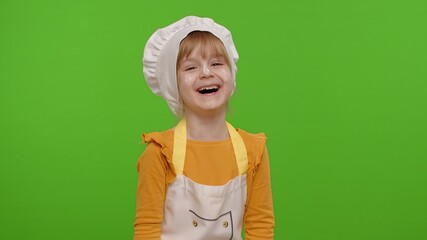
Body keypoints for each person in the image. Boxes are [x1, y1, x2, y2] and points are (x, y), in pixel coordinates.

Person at [134, 16, 274, 240]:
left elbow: (260, 225)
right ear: (174, 84)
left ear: (231, 74)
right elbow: (146, 229)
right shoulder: (160, 153)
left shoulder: (253, 151)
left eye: (217, 63)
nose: (206, 73)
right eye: (191, 67)